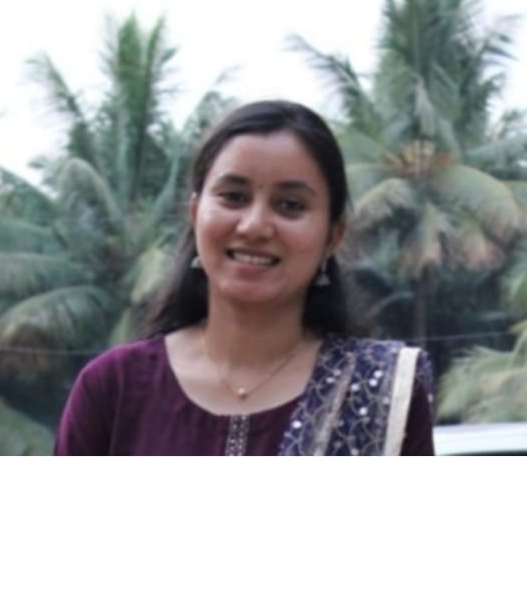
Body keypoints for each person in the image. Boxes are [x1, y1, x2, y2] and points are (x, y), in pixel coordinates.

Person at [54, 100, 435, 456]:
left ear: (333, 236)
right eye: (234, 197)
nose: (254, 226)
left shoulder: (384, 394)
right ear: (195, 213)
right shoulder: (112, 390)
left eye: (290, 205)